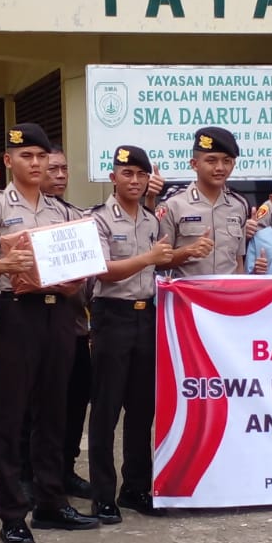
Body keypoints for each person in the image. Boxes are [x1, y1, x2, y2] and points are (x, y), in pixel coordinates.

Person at [0, 123, 99, 543]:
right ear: (8, 161)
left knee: (53, 411)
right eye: (27, 156)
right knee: (12, 415)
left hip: (58, 314)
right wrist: (6, 265)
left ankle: (51, 502)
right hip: (18, 314)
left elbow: (78, 269)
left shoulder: (63, 212)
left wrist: (71, 282)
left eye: (42, 156)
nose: (37, 164)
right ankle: (12, 514)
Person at [88, 145, 173, 522]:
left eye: (141, 174)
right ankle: (102, 495)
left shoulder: (153, 220)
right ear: (113, 177)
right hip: (112, 317)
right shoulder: (99, 220)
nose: (135, 181)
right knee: (106, 410)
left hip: (146, 318)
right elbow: (103, 270)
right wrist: (149, 259)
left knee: (142, 410)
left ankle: (135, 487)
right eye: (127, 173)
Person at [42, 147, 95, 501]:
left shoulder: (78, 218)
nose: (60, 175)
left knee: (75, 403)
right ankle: (32, 476)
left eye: (64, 168)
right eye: (52, 169)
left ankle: (65, 469)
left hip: (74, 325)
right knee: (38, 408)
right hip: (35, 327)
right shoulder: (16, 213)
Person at [158, 127, 251, 276]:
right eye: (211, 161)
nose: (220, 168)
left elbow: (237, 259)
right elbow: (157, 262)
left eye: (227, 161)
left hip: (227, 295)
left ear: (233, 164)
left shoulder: (238, 205)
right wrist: (188, 251)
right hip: (188, 296)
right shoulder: (173, 205)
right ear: (194, 164)